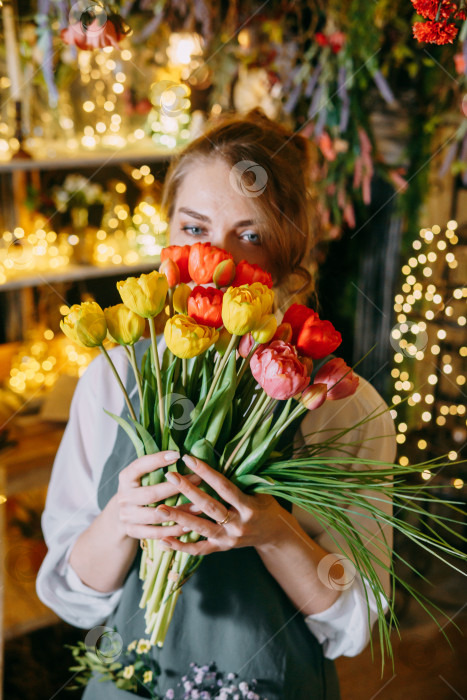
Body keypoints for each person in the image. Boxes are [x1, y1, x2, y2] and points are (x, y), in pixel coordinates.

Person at [36, 109, 397, 699]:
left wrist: (275, 533)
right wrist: (122, 519)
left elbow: (352, 621)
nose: (219, 266)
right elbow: (71, 596)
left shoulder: (342, 406)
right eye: (196, 230)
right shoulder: (116, 375)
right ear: (168, 238)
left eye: (250, 236)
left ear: (290, 253)